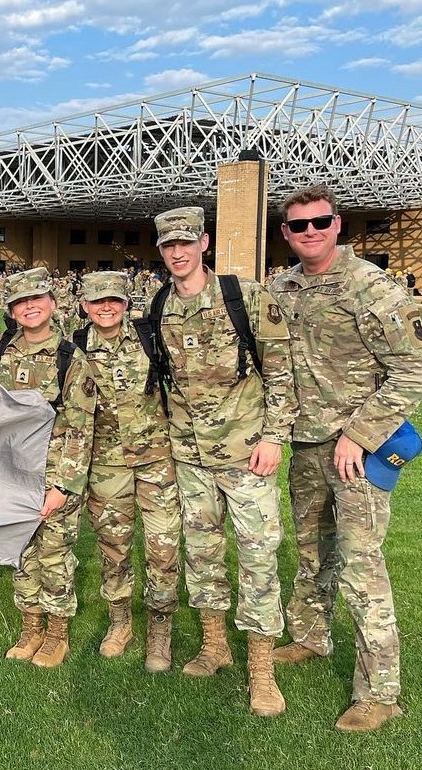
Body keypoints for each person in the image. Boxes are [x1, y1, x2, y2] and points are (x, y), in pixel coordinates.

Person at [270, 185, 422, 732]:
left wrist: (358, 434)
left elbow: (412, 369)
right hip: (308, 444)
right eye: (298, 225)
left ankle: (380, 691)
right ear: (286, 234)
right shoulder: (280, 287)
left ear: (338, 225)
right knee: (312, 551)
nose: (310, 231)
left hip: (360, 451)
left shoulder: (372, 288)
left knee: (361, 565)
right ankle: (310, 635)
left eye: (320, 222)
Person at [150, 206, 297, 716]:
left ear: (204, 243)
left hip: (246, 451)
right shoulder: (159, 306)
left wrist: (275, 436)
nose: (178, 252)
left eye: (186, 243)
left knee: (258, 559)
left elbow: (281, 373)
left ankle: (262, 672)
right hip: (190, 456)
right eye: (169, 246)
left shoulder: (246, 297)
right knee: (203, 554)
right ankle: (215, 646)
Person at [0, 267, 95, 667]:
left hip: (54, 474)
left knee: (55, 555)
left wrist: (63, 486)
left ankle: (56, 635)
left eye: (37, 299)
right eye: (20, 302)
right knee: (23, 551)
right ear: (11, 310)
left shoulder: (70, 358)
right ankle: (30, 627)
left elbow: (81, 427)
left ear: (52, 303)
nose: (29, 307)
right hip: (12, 474)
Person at [76, 271, 181, 672]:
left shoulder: (149, 337)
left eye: (115, 300)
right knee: (113, 548)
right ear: (84, 305)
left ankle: (159, 627)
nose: (107, 307)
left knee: (163, 548)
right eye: (98, 301)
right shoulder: (75, 347)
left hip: (156, 460)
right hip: (106, 463)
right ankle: (120, 622)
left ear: (126, 304)